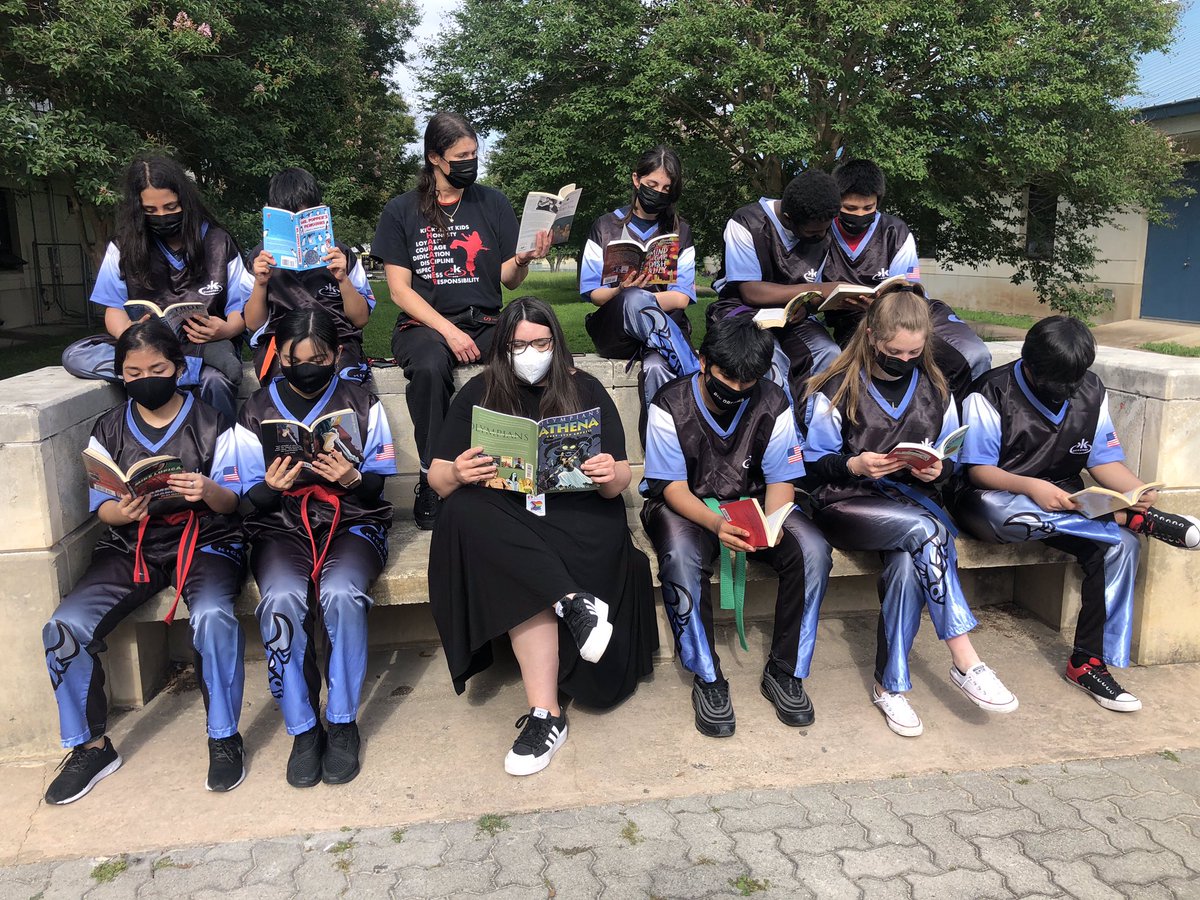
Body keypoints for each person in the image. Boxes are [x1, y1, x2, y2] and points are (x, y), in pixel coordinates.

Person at [426, 296, 657, 776]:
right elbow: (438, 479)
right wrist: (459, 472)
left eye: (540, 343)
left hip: (580, 517)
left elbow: (621, 479)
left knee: (518, 563)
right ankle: (546, 708)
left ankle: (569, 615)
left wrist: (607, 472)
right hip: (509, 516)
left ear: (556, 342)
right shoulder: (479, 393)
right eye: (517, 345)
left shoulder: (586, 388)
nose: (530, 353)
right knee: (463, 510)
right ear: (502, 347)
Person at [42, 319, 246, 803]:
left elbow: (234, 502)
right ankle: (90, 746)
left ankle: (223, 735)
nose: (146, 379)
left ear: (179, 367)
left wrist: (208, 490)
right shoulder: (108, 428)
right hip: (131, 544)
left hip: (205, 538)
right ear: (121, 374)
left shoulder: (213, 420)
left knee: (213, 615)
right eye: (133, 373)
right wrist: (123, 510)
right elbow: (104, 508)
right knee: (65, 627)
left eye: (158, 369)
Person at [954, 315, 1200, 712]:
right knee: (1005, 514)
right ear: (1030, 366)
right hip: (998, 499)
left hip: (1067, 504)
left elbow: (1103, 460)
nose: (1070, 390)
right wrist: (1032, 487)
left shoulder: (1090, 389)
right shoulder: (991, 391)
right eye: (1060, 382)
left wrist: (1135, 492)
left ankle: (1088, 663)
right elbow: (978, 470)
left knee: (1121, 546)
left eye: (1075, 379)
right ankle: (1127, 521)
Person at [803, 290, 1018, 737]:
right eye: (894, 351)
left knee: (907, 566)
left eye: (914, 352)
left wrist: (939, 469)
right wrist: (854, 464)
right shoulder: (836, 386)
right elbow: (809, 462)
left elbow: (953, 458)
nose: (904, 359)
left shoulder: (936, 387)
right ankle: (966, 660)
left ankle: (890, 686)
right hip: (845, 503)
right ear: (871, 336)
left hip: (909, 505)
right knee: (928, 532)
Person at [228, 307, 397, 787]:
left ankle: (341, 721)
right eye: (292, 359)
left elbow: (377, 485)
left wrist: (352, 477)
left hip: (352, 522)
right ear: (277, 356)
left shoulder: (362, 402)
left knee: (342, 593)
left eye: (318, 359)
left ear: (337, 355)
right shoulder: (255, 409)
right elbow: (245, 497)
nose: (305, 367)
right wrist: (270, 487)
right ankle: (303, 727)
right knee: (281, 598)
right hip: (281, 526)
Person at [641, 316, 832, 737]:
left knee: (812, 550)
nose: (737, 389)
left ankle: (786, 670)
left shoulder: (773, 401)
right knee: (681, 558)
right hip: (686, 506)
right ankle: (707, 676)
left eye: (748, 381)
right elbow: (672, 487)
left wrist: (773, 524)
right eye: (727, 377)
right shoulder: (669, 404)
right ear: (703, 361)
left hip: (755, 503)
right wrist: (717, 523)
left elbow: (781, 478)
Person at [372, 111, 550, 530]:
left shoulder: (493, 202)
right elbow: (399, 291)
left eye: (474, 154)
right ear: (435, 158)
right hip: (425, 325)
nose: (471, 162)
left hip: (487, 320)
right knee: (429, 368)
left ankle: (526, 471)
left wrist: (523, 259)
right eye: (461, 156)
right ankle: (432, 479)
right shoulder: (401, 211)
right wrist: (449, 331)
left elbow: (508, 278)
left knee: (531, 357)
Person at [61, 154, 250, 425]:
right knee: (76, 356)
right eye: (151, 210)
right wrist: (129, 333)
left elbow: (240, 308)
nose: (162, 216)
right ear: (138, 209)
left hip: (202, 343)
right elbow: (113, 308)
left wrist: (227, 330)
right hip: (146, 349)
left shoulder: (218, 241)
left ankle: (174, 370)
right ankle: (175, 367)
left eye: (170, 207)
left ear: (185, 201)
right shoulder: (123, 246)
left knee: (215, 381)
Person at [822, 159, 991, 398]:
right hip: (856, 321)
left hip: (914, 309)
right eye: (850, 208)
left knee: (975, 354)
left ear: (878, 202)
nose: (860, 215)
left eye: (868, 208)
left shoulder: (895, 232)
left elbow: (908, 287)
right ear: (836, 203)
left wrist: (885, 302)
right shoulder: (821, 232)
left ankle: (969, 414)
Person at [579, 146, 699, 415]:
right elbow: (593, 293)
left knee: (657, 366)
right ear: (636, 179)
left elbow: (680, 298)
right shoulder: (604, 226)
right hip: (616, 329)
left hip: (663, 331)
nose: (659, 192)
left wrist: (639, 300)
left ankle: (661, 431)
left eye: (666, 188)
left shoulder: (681, 231)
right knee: (631, 297)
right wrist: (621, 292)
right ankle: (691, 367)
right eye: (652, 185)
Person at [711, 170, 843, 401]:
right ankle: (781, 420)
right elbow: (750, 291)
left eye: (825, 229)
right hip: (742, 314)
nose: (822, 235)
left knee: (829, 353)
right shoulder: (746, 223)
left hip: (792, 317)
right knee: (771, 358)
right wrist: (818, 290)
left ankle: (815, 420)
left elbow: (813, 293)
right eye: (813, 232)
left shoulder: (822, 231)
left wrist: (807, 305)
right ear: (789, 219)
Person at [243, 167, 377, 385]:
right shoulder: (259, 258)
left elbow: (360, 319)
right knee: (284, 387)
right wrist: (260, 283)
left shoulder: (340, 254)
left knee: (345, 385)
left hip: (337, 338)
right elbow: (252, 323)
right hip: (281, 341)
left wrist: (343, 279)